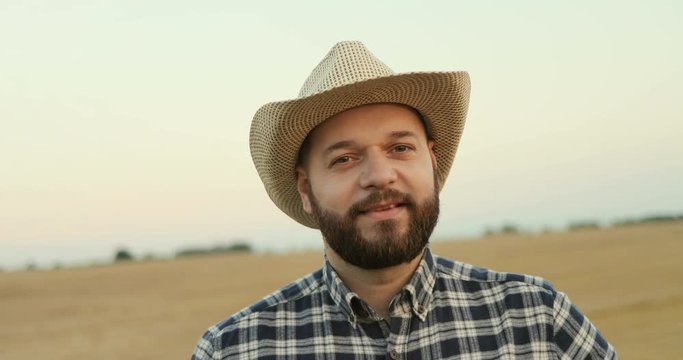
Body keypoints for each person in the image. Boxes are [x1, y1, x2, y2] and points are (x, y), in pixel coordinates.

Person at [192, 41, 617, 359]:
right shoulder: (236, 349)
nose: (379, 176)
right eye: (344, 158)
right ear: (305, 189)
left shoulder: (536, 320)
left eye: (400, 148)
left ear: (432, 161)